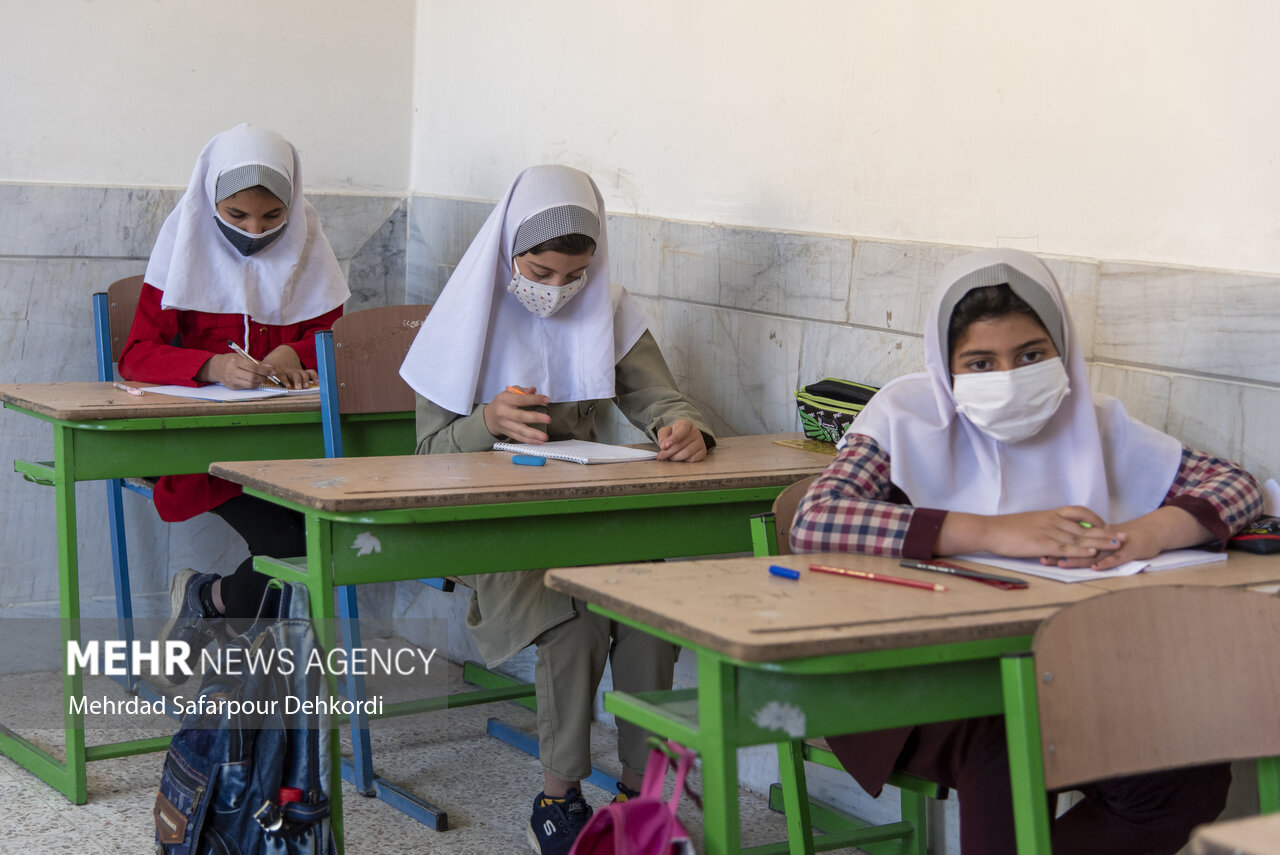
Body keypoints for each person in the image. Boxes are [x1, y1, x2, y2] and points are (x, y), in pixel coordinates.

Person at [790, 248, 1262, 855]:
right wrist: (993, 531)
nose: (1008, 377)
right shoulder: (907, 416)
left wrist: (1145, 533)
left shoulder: (1092, 423)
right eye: (980, 362)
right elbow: (817, 518)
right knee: (1015, 737)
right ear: (947, 366)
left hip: (1054, 664)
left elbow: (1235, 485)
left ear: (1061, 349)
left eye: (1031, 355)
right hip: (903, 674)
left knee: (1184, 771)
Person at [399, 164, 714, 855]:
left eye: (574, 275)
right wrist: (486, 419)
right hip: (490, 525)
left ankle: (640, 794)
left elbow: (661, 397)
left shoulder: (607, 305)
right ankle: (558, 795)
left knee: (647, 604)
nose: (555, 290)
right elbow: (425, 454)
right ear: (509, 248)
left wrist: (680, 425)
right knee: (568, 617)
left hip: (582, 511)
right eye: (539, 271)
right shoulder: (464, 315)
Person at [119, 123, 349, 677]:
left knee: (333, 532)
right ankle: (220, 610)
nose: (255, 230)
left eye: (272, 218)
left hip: (287, 445)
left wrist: (297, 351)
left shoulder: (308, 248)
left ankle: (211, 604)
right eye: (237, 216)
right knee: (299, 545)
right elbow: (136, 355)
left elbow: (337, 342)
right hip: (204, 447)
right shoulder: (183, 249)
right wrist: (210, 364)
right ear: (209, 203)